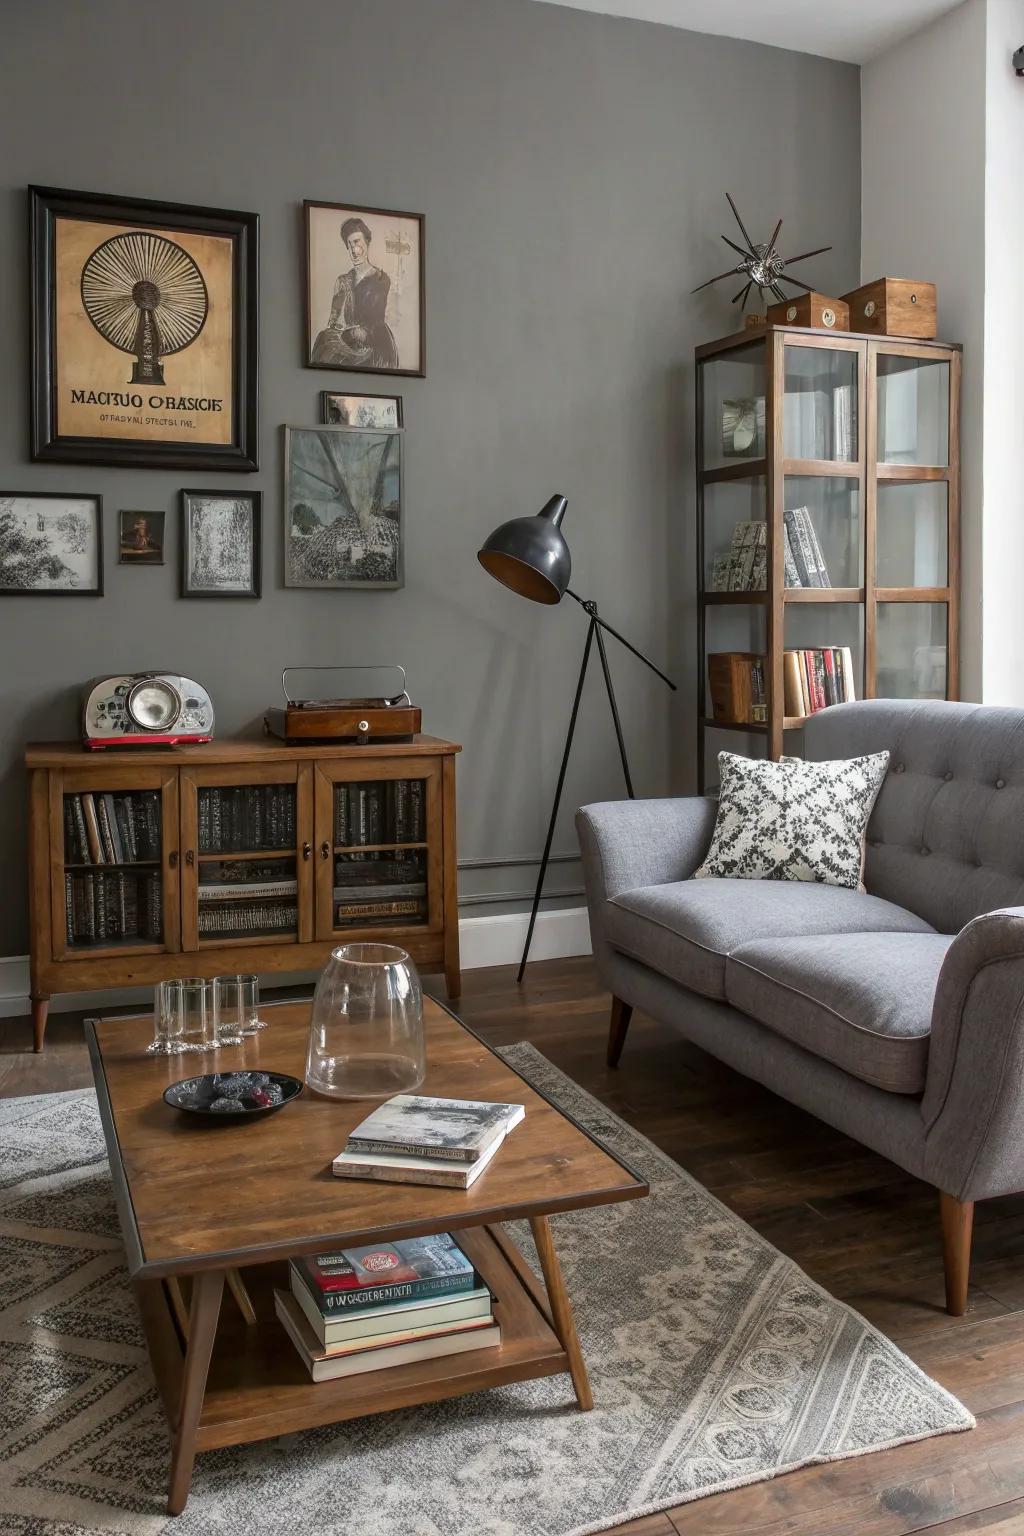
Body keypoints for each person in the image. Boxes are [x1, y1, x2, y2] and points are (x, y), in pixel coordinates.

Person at [311, 217, 398, 369]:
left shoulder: (381, 279)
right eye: (349, 244)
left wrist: (353, 334)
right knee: (323, 342)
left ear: (367, 242)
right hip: (347, 337)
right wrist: (339, 331)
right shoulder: (343, 280)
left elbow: (374, 322)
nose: (353, 250)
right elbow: (334, 321)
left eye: (357, 242)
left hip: (372, 342)